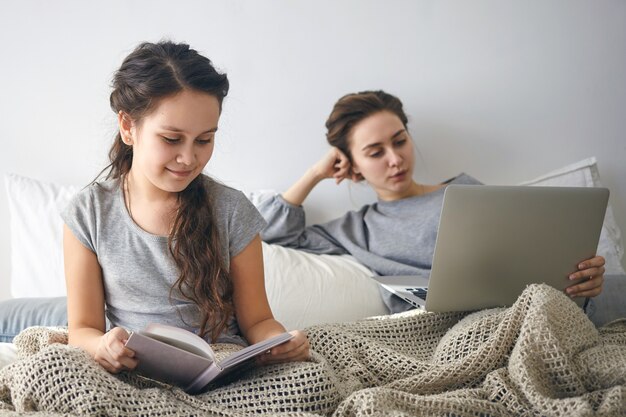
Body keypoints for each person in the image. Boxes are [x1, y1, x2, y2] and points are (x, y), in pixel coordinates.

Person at [62, 41, 309, 374]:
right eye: (171, 139)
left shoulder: (232, 210)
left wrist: (280, 342)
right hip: (135, 370)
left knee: (311, 379)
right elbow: (82, 330)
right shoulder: (88, 212)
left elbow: (259, 320)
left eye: (204, 140)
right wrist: (103, 346)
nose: (189, 158)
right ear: (127, 126)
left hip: (224, 366)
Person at [258, 90, 606, 312]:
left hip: (516, 310)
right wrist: (315, 174)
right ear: (352, 164)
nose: (395, 159)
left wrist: (582, 281)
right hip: (441, 330)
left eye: (400, 141)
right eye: (375, 152)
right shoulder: (355, 228)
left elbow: (532, 257)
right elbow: (271, 235)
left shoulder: (464, 191)